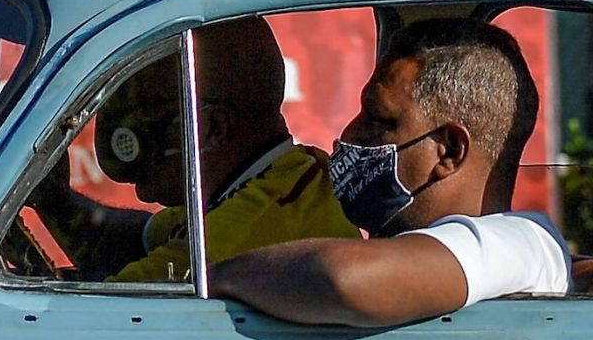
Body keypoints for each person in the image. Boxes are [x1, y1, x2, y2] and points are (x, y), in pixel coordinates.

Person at [211, 18, 571, 326]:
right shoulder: (403, 250)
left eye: (378, 120)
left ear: (448, 151)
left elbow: (345, 278)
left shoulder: (526, 244)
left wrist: (209, 278)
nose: (349, 135)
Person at [33, 16, 357, 282]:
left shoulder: (243, 232)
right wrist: (53, 200)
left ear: (211, 128)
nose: (141, 182)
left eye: (147, 134)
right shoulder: (281, 179)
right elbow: (136, 241)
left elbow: (102, 318)